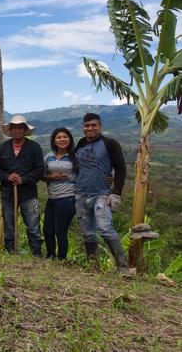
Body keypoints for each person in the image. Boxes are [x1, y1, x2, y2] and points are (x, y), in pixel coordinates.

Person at [74, 113, 130, 276]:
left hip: (102, 195)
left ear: (100, 126)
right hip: (81, 195)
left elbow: (121, 168)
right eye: (87, 126)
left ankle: (122, 267)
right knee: (87, 232)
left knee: (105, 228)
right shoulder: (81, 144)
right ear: (83, 127)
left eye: (93, 125)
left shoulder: (109, 143)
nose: (90, 128)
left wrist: (116, 192)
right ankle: (93, 266)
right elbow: (78, 167)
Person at [0, 115, 44, 256]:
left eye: (20, 128)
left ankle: (36, 254)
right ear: (10, 130)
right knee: (9, 225)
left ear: (24, 130)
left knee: (33, 226)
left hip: (29, 194)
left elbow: (40, 169)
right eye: (14, 128)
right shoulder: (3, 148)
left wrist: (24, 179)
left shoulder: (34, 147)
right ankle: (11, 253)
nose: (17, 130)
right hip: (8, 193)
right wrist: (7, 177)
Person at [41, 128, 77, 260]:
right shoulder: (49, 157)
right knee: (47, 230)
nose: (62, 139)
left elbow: (84, 175)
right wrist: (53, 177)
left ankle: (61, 259)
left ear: (70, 139)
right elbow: (42, 175)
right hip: (52, 198)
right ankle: (50, 256)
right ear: (54, 141)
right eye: (59, 137)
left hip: (68, 197)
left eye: (65, 137)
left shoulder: (75, 156)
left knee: (60, 230)